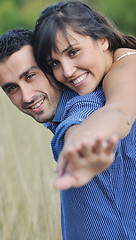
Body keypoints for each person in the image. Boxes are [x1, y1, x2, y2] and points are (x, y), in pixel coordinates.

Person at [0, 29, 136, 240]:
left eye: (30, 76)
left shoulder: (89, 106)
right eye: (12, 88)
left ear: (52, 67)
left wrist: (78, 145)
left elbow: (80, 127)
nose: (26, 96)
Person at [33, 0, 136, 187]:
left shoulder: (127, 66)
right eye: (54, 63)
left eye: (73, 52)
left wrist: (85, 138)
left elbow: (120, 111)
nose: (67, 71)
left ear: (102, 40)